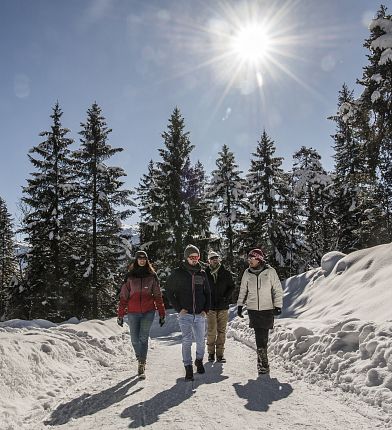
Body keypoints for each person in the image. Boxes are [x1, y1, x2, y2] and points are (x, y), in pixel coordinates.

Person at [117, 250, 166, 379]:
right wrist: (120, 315)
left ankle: (141, 363)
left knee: (143, 338)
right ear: (136, 260)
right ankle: (140, 357)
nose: (142, 260)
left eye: (144, 258)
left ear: (147, 260)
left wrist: (162, 313)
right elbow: (123, 297)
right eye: (140, 258)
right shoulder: (130, 276)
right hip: (133, 312)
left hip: (148, 312)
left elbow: (157, 296)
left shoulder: (152, 276)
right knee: (134, 339)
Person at [166, 244, 211, 381]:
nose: (194, 259)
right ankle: (188, 367)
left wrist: (205, 310)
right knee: (186, 341)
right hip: (185, 314)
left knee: (200, 341)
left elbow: (208, 293)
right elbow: (169, 291)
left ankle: (199, 360)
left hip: (199, 314)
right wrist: (179, 308)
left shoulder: (202, 273)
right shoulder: (178, 273)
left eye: (196, 257)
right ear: (186, 257)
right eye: (191, 257)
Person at [237, 248, 283, 374]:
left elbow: (277, 289)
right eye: (248, 259)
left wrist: (278, 306)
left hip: (267, 308)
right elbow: (243, 290)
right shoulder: (247, 273)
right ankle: (264, 363)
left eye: (251, 259)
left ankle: (260, 359)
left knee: (264, 336)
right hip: (253, 309)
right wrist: (240, 305)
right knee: (259, 335)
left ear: (259, 259)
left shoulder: (270, 272)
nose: (249, 261)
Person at [205, 250, 235, 363]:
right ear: (209, 261)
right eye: (212, 258)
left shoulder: (225, 273)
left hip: (223, 306)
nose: (214, 260)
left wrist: (226, 297)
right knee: (212, 331)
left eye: (216, 258)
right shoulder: (205, 273)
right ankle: (211, 353)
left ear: (219, 259)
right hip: (211, 307)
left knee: (221, 331)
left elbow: (232, 286)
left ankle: (220, 355)